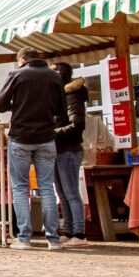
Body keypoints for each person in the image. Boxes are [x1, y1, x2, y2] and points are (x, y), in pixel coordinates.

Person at [0, 46, 67, 248]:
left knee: (20, 187)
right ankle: (53, 238)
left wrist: (17, 105)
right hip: (46, 137)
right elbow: (61, 110)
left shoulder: (17, 75)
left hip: (20, 137)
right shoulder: (54, 77)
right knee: (46, 187)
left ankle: (24, 237)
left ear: (22, 60)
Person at [53, 69, 93, 240]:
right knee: (62, 194)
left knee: (71, 193)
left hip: (68, 149)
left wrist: (52, 133)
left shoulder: (72, 97)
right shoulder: (59, 97)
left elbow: (77, 124)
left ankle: (79, 233)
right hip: (58, 150)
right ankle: (69, 231)